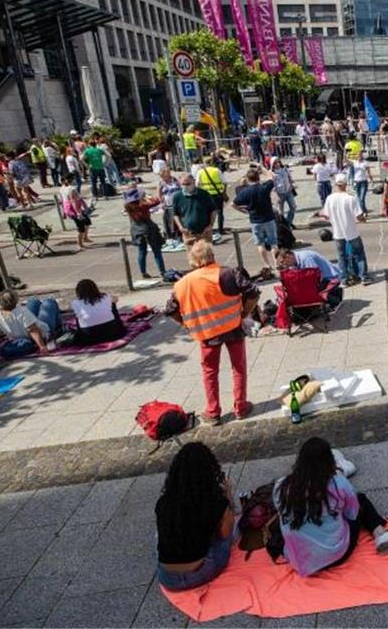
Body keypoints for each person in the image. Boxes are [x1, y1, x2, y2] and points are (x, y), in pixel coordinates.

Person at [273, 438, 388, 577]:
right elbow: (352, 514)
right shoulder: (337, 483)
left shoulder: (281, 486)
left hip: (299, 560)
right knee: (361, 500)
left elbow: (281, 512)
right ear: (329, 461)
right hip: (335, 554)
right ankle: (380, 535)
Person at [165, 241, 256, 425]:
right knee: (238, 368)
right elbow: (253, 292)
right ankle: (241, 407)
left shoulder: (182, 284)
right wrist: (244, 313)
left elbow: (170, 309)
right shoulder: (228, 273)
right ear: (212, 256)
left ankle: (213, 412)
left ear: (192, 260)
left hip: (206, 334)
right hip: (233, 327)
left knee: (209, 372)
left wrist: (186, 324)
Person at [155, 442, 236, 591]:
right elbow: (225, 535)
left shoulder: (164, 502)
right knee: (226, 534)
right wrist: (229, 498)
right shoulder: (215, 501)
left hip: (167, 578)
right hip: (200, 574)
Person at [0, 289, 64, 355]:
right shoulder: (22, 311)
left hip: (17, 337)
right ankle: (59, 329)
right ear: (16, 300)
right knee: (49, 302)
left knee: (33, 301)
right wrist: (42, 347)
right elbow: (33, 330)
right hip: (42, 334)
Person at [325, 174, 371, 286]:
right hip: (351, 231)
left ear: (336, 184)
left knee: (341, 256)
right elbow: (359, 215)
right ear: (346, 184)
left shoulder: (330, 198)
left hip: (337, 231)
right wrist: (363, 219)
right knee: (359, 253)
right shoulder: (350, 198)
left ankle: (344, 279)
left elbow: (326, 215)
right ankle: (363, 276)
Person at [233, 168, 279, 276]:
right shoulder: (264, 187)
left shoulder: (245, 191)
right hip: (269, 218)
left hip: (255, 220)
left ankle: (267, 265)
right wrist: (264, 170)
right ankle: (277, 263)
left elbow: (233, 204)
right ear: (258, 178)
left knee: (260, 244)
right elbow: (272, 176)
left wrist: (243, 211)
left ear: (248, 179)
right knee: (273, 243)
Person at [123, 187, 167, 279]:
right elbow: (156, 201)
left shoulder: (128, 206)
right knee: (157, 251)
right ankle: (162, 271)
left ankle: (143, 272)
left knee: (142, 252)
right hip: (148, 228)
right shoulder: (143, 205)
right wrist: (146, 197)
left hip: (137, 229)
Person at [276, 247, 344, 307]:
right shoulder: (293, 261)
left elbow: (314, 278)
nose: (283, 265)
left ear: (288, 256)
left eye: (282, 262)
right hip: (321, 279)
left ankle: (334, 298)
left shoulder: (306, 258)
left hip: (330, 278)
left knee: (307, 292)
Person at [70, 278, 127, 345]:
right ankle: (118, 324)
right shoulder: (105, 297)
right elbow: (115, 299)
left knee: (78, 315)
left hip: (89, 337)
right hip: (114, 333)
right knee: (112, 305)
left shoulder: (75, 303)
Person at [171, 173, 216, 246]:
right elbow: (176, 214)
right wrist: (181, 227)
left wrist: (210, 225)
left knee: (207, 256)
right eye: (183, 184)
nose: (186, 186)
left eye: (188, 184)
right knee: (192, 256)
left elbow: (213, 210)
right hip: (188, 233)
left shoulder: (204, 194)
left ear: (193, 182)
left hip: (204, 232)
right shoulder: (177, 197)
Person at [59, 173, 93, 250]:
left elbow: (62, 201)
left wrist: (63, 212)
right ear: (70, 180)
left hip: (70, 209)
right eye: (73, 178)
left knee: (87, 221)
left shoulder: (61, 188)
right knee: (80, 228)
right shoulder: (72, 189)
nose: (74, 180)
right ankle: (79, 245)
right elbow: (73, 202)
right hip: (74, 210)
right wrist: (78, 213)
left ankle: (85, 238)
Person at [196, 159, 228, 234]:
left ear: (204, 164)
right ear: (212, 163)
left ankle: (209, 229)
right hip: (217, 195)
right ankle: (221, 229)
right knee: (220, 212)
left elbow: (197, 185)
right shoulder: (217, 170)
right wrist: (223, 191)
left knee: (207, 213)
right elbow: (225, 182)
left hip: (206, 196)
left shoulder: (200, 172)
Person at [348, 150, 372, 216]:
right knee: (358, 198)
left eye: (360, 155)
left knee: (362, 198)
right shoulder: (354, 162)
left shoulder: (365, 163)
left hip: (363, 182)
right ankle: (363, 211)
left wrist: (371, 180)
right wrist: (345, 152)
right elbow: (345, 160)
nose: (359, 156)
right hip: (356, 182)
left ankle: (363, 211)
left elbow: (369, 172)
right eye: (358, 155)